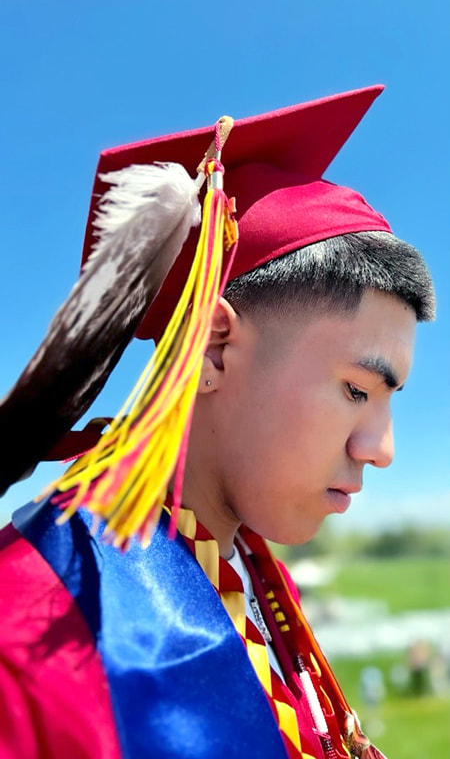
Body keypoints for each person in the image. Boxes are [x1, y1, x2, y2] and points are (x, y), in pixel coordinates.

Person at [0, 86, 435, 758]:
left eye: (388, 400)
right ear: (213, 346)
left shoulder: (261, 578)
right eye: (355, 390)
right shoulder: (33, 632)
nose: (381, 449)